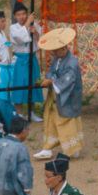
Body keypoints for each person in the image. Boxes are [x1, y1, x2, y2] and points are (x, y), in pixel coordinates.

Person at [34, 28, 84, 161]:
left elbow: (68, 80)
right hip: (56, 96)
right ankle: (47, 148)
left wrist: (51, 81)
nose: (54, 53)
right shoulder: (58, 59)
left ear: (64, 48)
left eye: (56, 50)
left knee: (66, 123)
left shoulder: (72, 62)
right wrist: (48, 78)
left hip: (67, 97)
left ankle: (73, 149)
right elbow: (51, 72)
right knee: (50, 120)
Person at [9, 2, 43, 117]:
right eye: (19, 14)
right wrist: (28, 23)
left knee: (33, 83)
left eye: (24, 14)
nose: (22, 17)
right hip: (20, 59)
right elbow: (19, 38)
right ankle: (19, 113)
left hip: (31, 57)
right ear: (15, 16)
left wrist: (36, 33)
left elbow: (41, 41)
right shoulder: (13, 28)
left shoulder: (34, 24)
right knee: (19, 84)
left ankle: (32, 112)